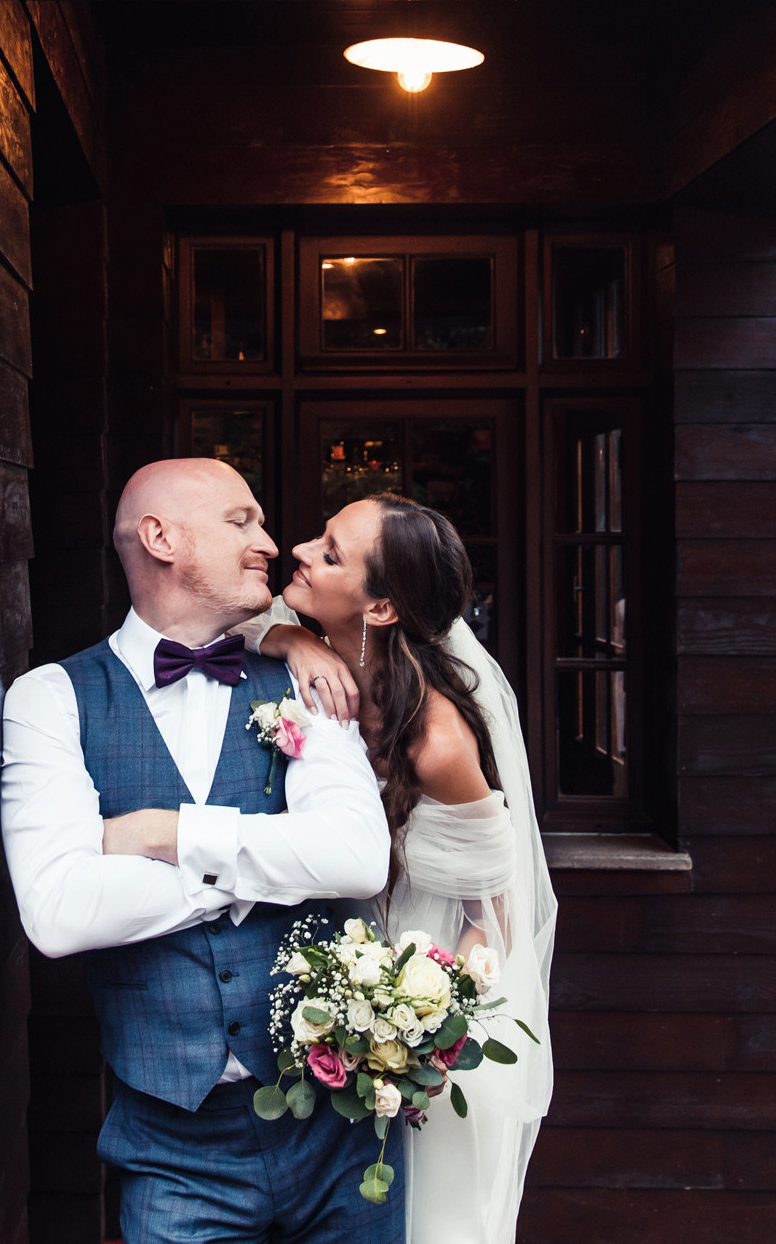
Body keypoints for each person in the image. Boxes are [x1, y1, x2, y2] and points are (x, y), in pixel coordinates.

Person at [1, 458, 400, 1244]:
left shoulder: (304, 681)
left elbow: (357, 857)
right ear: (161, 538)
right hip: (172, 1152)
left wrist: (163, 837)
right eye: (240, 521)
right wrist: (267, 871)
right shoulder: (50, 700)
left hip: (342, 1135)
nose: (270, 543)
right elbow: (59, 913)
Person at [247, 493, 557, 1244]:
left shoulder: (437, 742)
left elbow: (493, 911)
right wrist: (291, 641)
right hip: (319, 1001)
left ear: (381, 607)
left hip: (412, 1017)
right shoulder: (302, 642)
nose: (298, 551)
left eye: (329, 553)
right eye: (319, 537)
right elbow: (226, 623)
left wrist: (423, 1026)